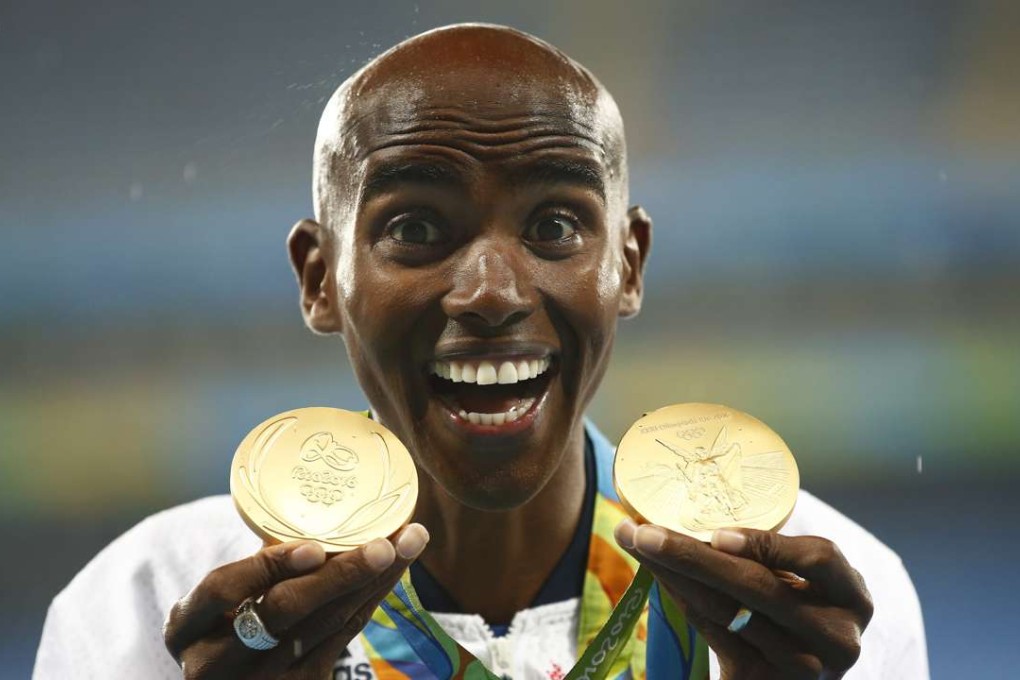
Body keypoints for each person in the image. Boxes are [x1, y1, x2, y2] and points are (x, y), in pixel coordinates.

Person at [34, 24, 928, 679]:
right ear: (319, 278)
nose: (493, 291)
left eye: (555, 225)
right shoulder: (143, 607)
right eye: (416, 228)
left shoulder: (819, 603)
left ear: (628, 264)